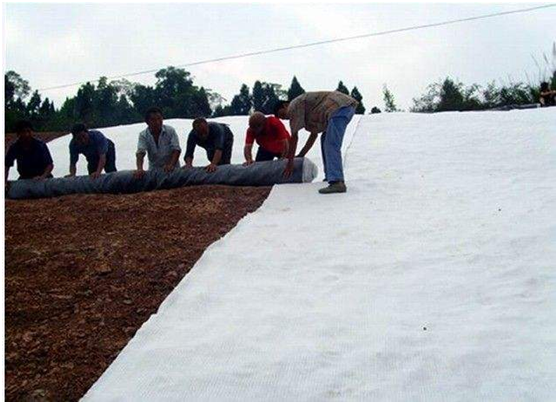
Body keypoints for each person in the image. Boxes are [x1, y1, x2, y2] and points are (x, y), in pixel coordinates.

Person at [275, 91, 358, 194]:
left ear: (285, 105)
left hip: (339, 108)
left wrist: (290, 163)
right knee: (325, 140)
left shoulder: (294, 106)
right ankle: (330, 176)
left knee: (331, 144)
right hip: (342, 108)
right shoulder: (306, 110)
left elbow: (294, 137)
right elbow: (313, 135)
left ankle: (337, 182)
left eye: (283, 114)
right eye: (283, 118)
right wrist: (301, 155)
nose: (286, 118)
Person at [135, 107, 181, 179]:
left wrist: (171, 165)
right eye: (153, 120)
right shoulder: (143, 135)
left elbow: (176, 149)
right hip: (154, 171)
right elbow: (140, 152)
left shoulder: (170, 131)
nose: (157, 122)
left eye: (159, 119)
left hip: (172, 170)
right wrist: (139, 169)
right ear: (147, 122)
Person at [5, 120, 54, 187]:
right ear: (18, 134)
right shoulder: (14, 147)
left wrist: (43, 176)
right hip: (25, 178)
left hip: (43, 178)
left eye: (28, 131)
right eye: (23, 132)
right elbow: (6, 166)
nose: (26, 134)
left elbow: (50, 165)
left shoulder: (40, 145)